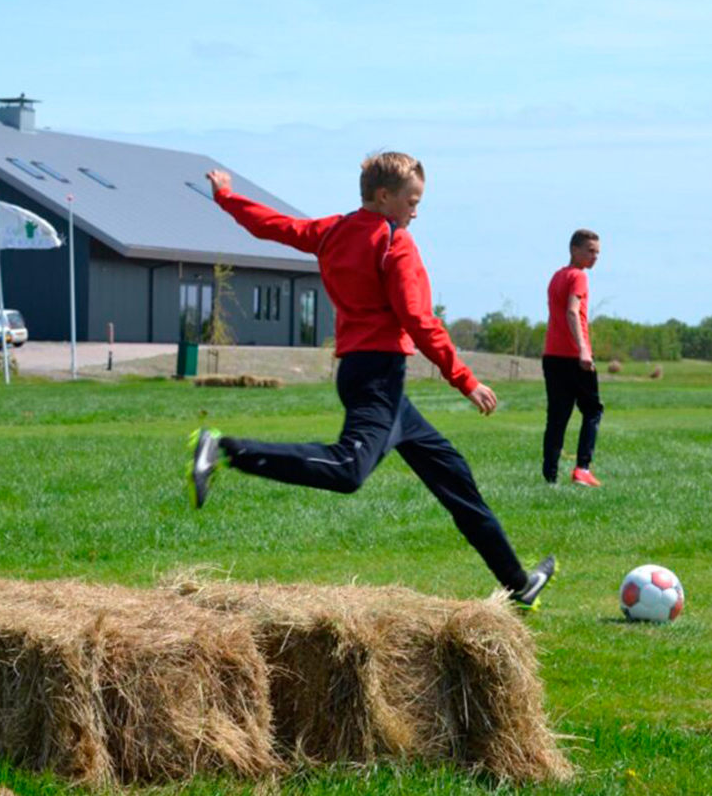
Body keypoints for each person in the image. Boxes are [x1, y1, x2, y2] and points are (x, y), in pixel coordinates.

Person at [188, 152, 556, 609]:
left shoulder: (334, 230)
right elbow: (420, 319)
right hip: (379, 378)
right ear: (385, 197)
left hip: (370, 378)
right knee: (348, 471)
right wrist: (465, 381)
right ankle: (223, 451)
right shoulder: (394, 243)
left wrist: (226, 196)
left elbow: (273, 225)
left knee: (454, 476)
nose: (416, 211)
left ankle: (518, 582)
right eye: (412, 201)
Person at [541, 230, 604, 486]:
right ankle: (582, 469)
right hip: (573, 357)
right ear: (574, 250)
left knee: (557, 416)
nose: (595, 257)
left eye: (597, 252)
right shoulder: (578, 277)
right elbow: (571, 312)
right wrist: (583, 350)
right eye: (590, 250)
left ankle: (550, 477)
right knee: (592, 410)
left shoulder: (557, 276)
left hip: (551, 355)